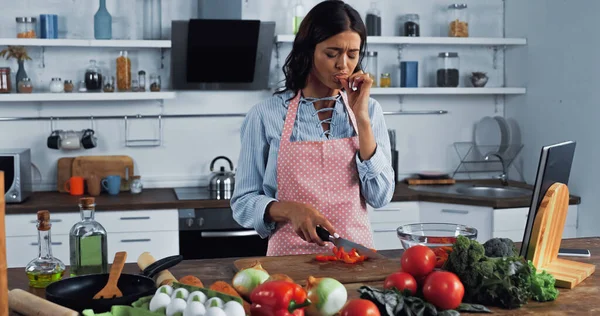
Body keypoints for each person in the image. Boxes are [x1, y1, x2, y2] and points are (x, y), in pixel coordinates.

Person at [231, 0, 395, 256]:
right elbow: (243, 203)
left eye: (352, 54)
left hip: (354, 259)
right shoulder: (265, 115)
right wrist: (289, 209)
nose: (343, 65)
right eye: (332, 53)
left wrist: (361, 119)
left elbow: (380, 196)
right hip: (288, 266)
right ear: (308, 51)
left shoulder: (369, 110)